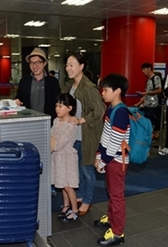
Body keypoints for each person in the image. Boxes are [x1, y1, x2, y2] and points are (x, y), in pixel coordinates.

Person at [62, 51, 106, 216]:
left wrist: (81, 120)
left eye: (71, 65)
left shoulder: (88, 88)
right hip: (74, 135)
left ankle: (87, 200)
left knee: (87, 169)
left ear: (81, 66)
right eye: (67, 65)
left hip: (87, 135)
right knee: (77, 167)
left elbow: (100, 110)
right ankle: (79, 195)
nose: (68, 68)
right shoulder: (69, 86)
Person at [93, 73, 130, 246]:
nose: (103, 93)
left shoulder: (121, 112)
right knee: (111, 191)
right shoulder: (111, 108)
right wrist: (99, 154)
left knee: (116, 195)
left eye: (106, 90)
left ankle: (118, 232)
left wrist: (103, 160)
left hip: (117, 161)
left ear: (117, 91)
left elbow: (115, 143)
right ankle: (112, 219)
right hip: (110, 159)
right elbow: (106, 135)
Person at [51, 93, 79, 222]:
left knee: (68, 186)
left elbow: (58, 143)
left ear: (69, 108)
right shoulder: (56, 120)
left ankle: (74, 210)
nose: (57, 109)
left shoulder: (72, 124)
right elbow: (52, 136)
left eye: (61, 106)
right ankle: (66, 206)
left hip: (67, 158)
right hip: (57, 158)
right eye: (56, 105)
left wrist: (51, 142)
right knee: (61, 184)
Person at [14, 47, 60, 122]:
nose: (34, 66)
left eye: (37, 63)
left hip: (48, 122)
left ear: (44, 63)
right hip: (28, 122)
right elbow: (18, 98)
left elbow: (57, 103)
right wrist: (16, 101)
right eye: (31, 63)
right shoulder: (24, 81)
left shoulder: (53, 82)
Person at [135, 62, 162, 138]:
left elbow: (159, 90)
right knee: (147, 121)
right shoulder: (148, 80)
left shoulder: (156, 78)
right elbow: (146, 94)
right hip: (147, 104)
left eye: (144, 69)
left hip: (153, 104)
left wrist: (147, 92)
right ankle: (149, 137)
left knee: (151, 122)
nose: (143, 71)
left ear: (149, 68)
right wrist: (139, 103)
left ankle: (152, 137)